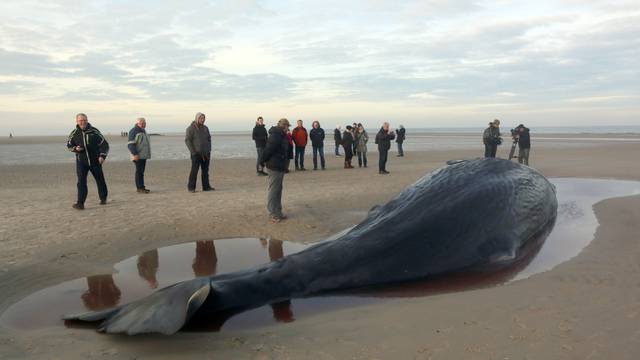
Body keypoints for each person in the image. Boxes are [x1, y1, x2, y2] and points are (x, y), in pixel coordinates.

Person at [66, 113, 109, 210]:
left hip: (95, 161)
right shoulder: (74, 133)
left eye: (84, 120)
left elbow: (105, 145)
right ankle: (80, 203)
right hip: (81, 162)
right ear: (77, 121)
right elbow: (69, 146)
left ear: (87, 120)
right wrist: (76, 149)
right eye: (80, 120)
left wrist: (102, 156)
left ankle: (103, 198)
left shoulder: (94, 131)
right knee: (81, 182)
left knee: (100, 180)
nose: (83, 122)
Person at [261, 118, 291, 223]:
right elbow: (268, 150)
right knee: (274, 190)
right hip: (274, 166)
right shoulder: (275, 135)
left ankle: (278, 212)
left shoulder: (282, 135)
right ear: (284, 126)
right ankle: (273, 213)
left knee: (278, 189)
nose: (288, 129)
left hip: (280, 166)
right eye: (287, 126)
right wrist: (262, 161)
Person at [185, 112, 214, 192]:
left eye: (203, 118)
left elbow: (209, 138)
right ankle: (191, 188)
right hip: (196, 154)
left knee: (205, 171)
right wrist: (193, 152)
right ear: (197, 118)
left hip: (206, 153)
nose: (202, 120)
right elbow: (187, 141)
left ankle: (206, 187)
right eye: (201, 118)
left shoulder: (205, 128)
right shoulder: (191, 128)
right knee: (194, 171)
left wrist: (209, 149)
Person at [127, 117, 151, 193]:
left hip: (143, 155)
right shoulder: (134, 131)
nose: (144, 124)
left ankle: (141, 187)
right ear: (138, 123)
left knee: (141, 171)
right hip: (137, 155)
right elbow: (130, 144)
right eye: (142, 123)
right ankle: (139, 188)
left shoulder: (143, 130)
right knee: (139, 171)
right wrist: (135, 154)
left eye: (145, 123)